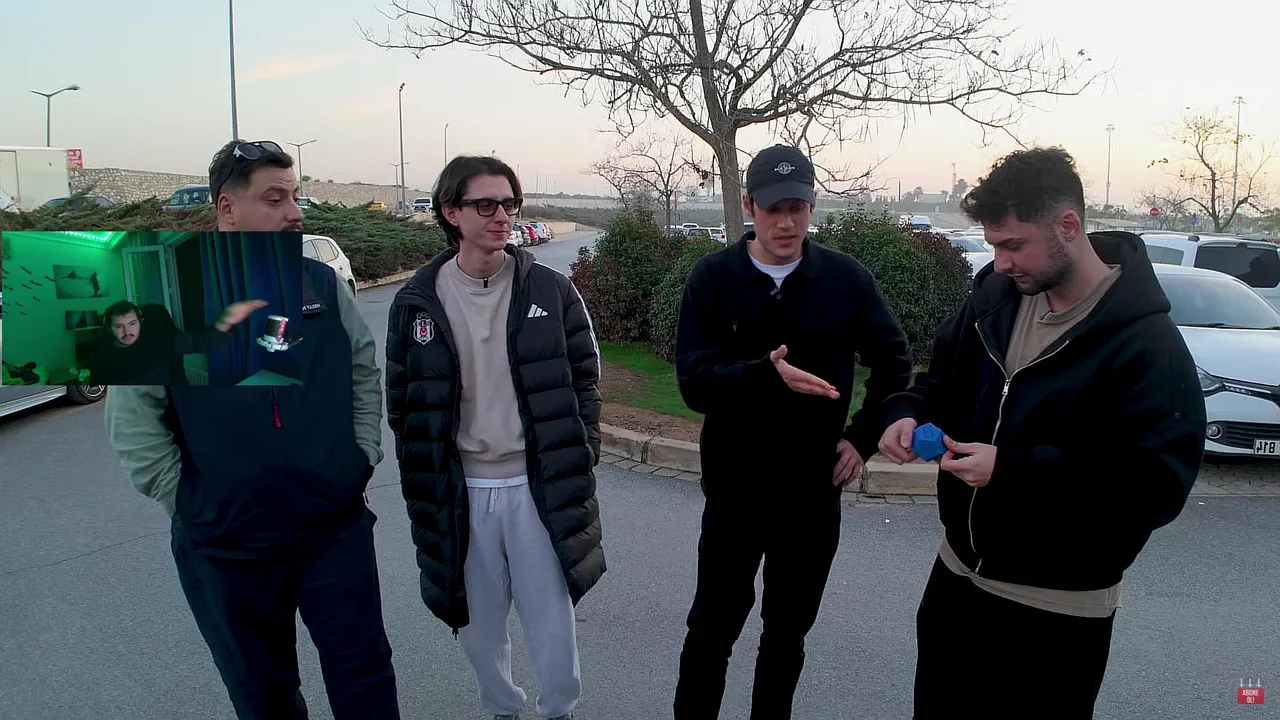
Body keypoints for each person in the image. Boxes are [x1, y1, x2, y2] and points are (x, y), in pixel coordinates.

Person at [876, 147, 1206, 718]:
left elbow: (1154, 487)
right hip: (955, 580)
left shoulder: (1147, 346)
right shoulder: (995, 301)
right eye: (993, 245)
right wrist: (904, 412)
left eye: (1013, 245)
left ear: (1068, 226)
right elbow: (941, 383)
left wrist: (1011, 471)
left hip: (1057, 612)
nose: (1001, 262)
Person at [103, 140, 400, 720]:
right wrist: (190, 500)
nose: (294, 212)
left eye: (295, 196)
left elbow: (362, 370)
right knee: (264, 695)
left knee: (364, 676)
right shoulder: (161, 296)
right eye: (275, 198)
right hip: (225, 545)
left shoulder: (319, 283)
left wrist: (360, 456)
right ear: (227, 208)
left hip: (331, 528)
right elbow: (135, 423)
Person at [672, 144, 914, 719]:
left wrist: (861, 437)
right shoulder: (714, 278)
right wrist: (762, 375)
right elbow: (693, 383)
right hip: (734, 491)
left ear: (812, 206)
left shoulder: (845, 279)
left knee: (786, 634)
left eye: (798, 208)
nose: (786, 223)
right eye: (774, 209)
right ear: (749, 206)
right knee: (712, 629)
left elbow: (894, 362)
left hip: (811, 493)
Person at [385, 155, 604, 720]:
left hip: (536, 484)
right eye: (485, 204)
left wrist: (583, 451)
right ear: (450, 212)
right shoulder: (417, 301)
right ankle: (502, 708)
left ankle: (559, 711)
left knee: (552, 622)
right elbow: (403, 402)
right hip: (463, 489)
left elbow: (586, 378)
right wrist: (423, 473)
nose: (502, 215)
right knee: (478, 629)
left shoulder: (551, 290)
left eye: (509, 203)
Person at [85, 298, 266, 385]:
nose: (127, 332)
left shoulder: (159, 342)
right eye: (119, 326)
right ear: (109, 329)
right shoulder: (100, 359)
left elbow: (199, 341)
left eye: (132, 324)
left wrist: (226, 320)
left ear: (140, 323)